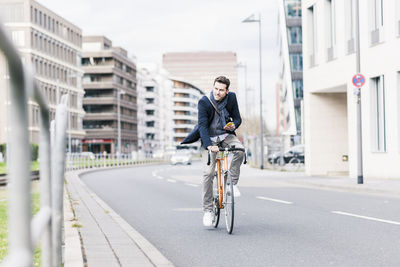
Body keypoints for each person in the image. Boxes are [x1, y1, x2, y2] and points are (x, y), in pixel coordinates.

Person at [194, 76, 245, 227]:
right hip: (209, 139)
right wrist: (209, 145)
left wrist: (233, 126)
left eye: (221, 90)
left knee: (240, 150)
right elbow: (202, 126)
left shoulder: (231, 98)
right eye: (216, 88)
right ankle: (208, 210)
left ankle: (232, 184)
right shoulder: (204, 102)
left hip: (226, 136)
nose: (217, 92)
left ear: (227, 91)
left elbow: (237, 118)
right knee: (208, 173)